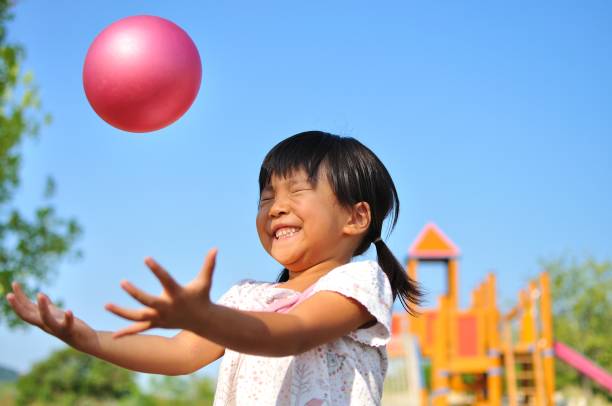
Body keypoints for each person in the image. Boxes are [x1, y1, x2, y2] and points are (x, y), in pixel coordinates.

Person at [6, 130, 422, 405]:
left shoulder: (360, 282)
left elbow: (291, 333)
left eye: (297, 191)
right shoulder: (244, 297)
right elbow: (179, 353)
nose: (276, 207)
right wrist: (85, 336)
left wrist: (205, 316)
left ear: (356, 217)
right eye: (266, 197)